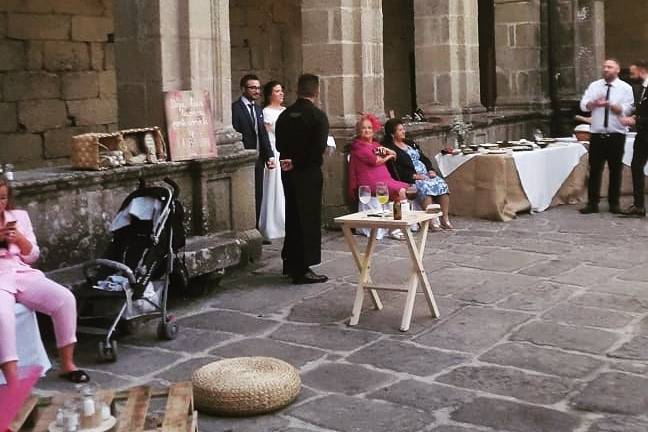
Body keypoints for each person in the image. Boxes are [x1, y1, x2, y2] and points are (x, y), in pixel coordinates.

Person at [0, 177, 89, 386]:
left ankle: (67, 364)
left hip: (21, 273)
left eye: (3, 198)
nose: (0, 203)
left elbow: (33, 256)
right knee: (3, 316)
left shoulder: (18, 216)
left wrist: (19, 239)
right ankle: (13, 381)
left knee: (65, 299)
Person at [275, 74, 329, 285]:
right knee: (307, 218)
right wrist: (298, 162)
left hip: (289, 172)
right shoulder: (317, 116)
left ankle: (290, 262)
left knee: (293, 215)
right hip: (307, 172)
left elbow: (279, 144)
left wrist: (291, 160)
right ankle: (302, 268)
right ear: (316, 92)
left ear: (297, 90)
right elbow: (318, 149)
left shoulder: (285, 115)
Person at [579, 58, 634, 214]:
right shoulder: (594, 86)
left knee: (615, 170)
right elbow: (583, 105)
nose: (606, 69)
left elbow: (627, 110)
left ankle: (614, 203)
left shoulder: (625, 88)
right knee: (595, 169)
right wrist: (594, 103)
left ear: (617, 70)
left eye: (610, 67)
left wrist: (610, 104)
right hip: (597, 134)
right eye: (604, 67)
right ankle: (592, 203)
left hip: (616, 134)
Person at [382, 118, 453, 229]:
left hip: (425, 174)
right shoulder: (391, 149)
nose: (403, 131)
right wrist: (413, 176)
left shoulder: (410, 143)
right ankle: (430, 221)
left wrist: (430, 169)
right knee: (425, 186)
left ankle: (444, 218)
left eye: (403, 129)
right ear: (392, 134)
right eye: (400, 130)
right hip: (412, 178)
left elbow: (424, 158)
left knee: (442, 183)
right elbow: (396, 169)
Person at [231, 74, 275, 230]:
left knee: (258, 195)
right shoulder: (235, 108)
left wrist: (269, 155)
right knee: (244, 196)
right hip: (244, 159)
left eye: (258, 88)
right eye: (252, 87)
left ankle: (255, 229)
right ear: (243, 89)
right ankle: (244, 229)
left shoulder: (258, 109)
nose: (256, 91)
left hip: (258, 160)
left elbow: (262, 134)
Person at [259, 81, 286, 240]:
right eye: (277, 91)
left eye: (281, 90)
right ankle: (273, 225)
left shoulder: (285, 111)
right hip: (274, 151)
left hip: (286, 151)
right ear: (270, 95)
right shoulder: (267, 112)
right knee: (274, 187)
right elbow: (271, 134)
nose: (281, 93)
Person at [620, 61, 648, 217]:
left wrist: (636, 121)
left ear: (641, 70)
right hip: (643, 135)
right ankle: (638, 206)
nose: (630, 76)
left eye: (632, 72)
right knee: (636, 166)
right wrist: (635, 116)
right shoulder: (642, 89)